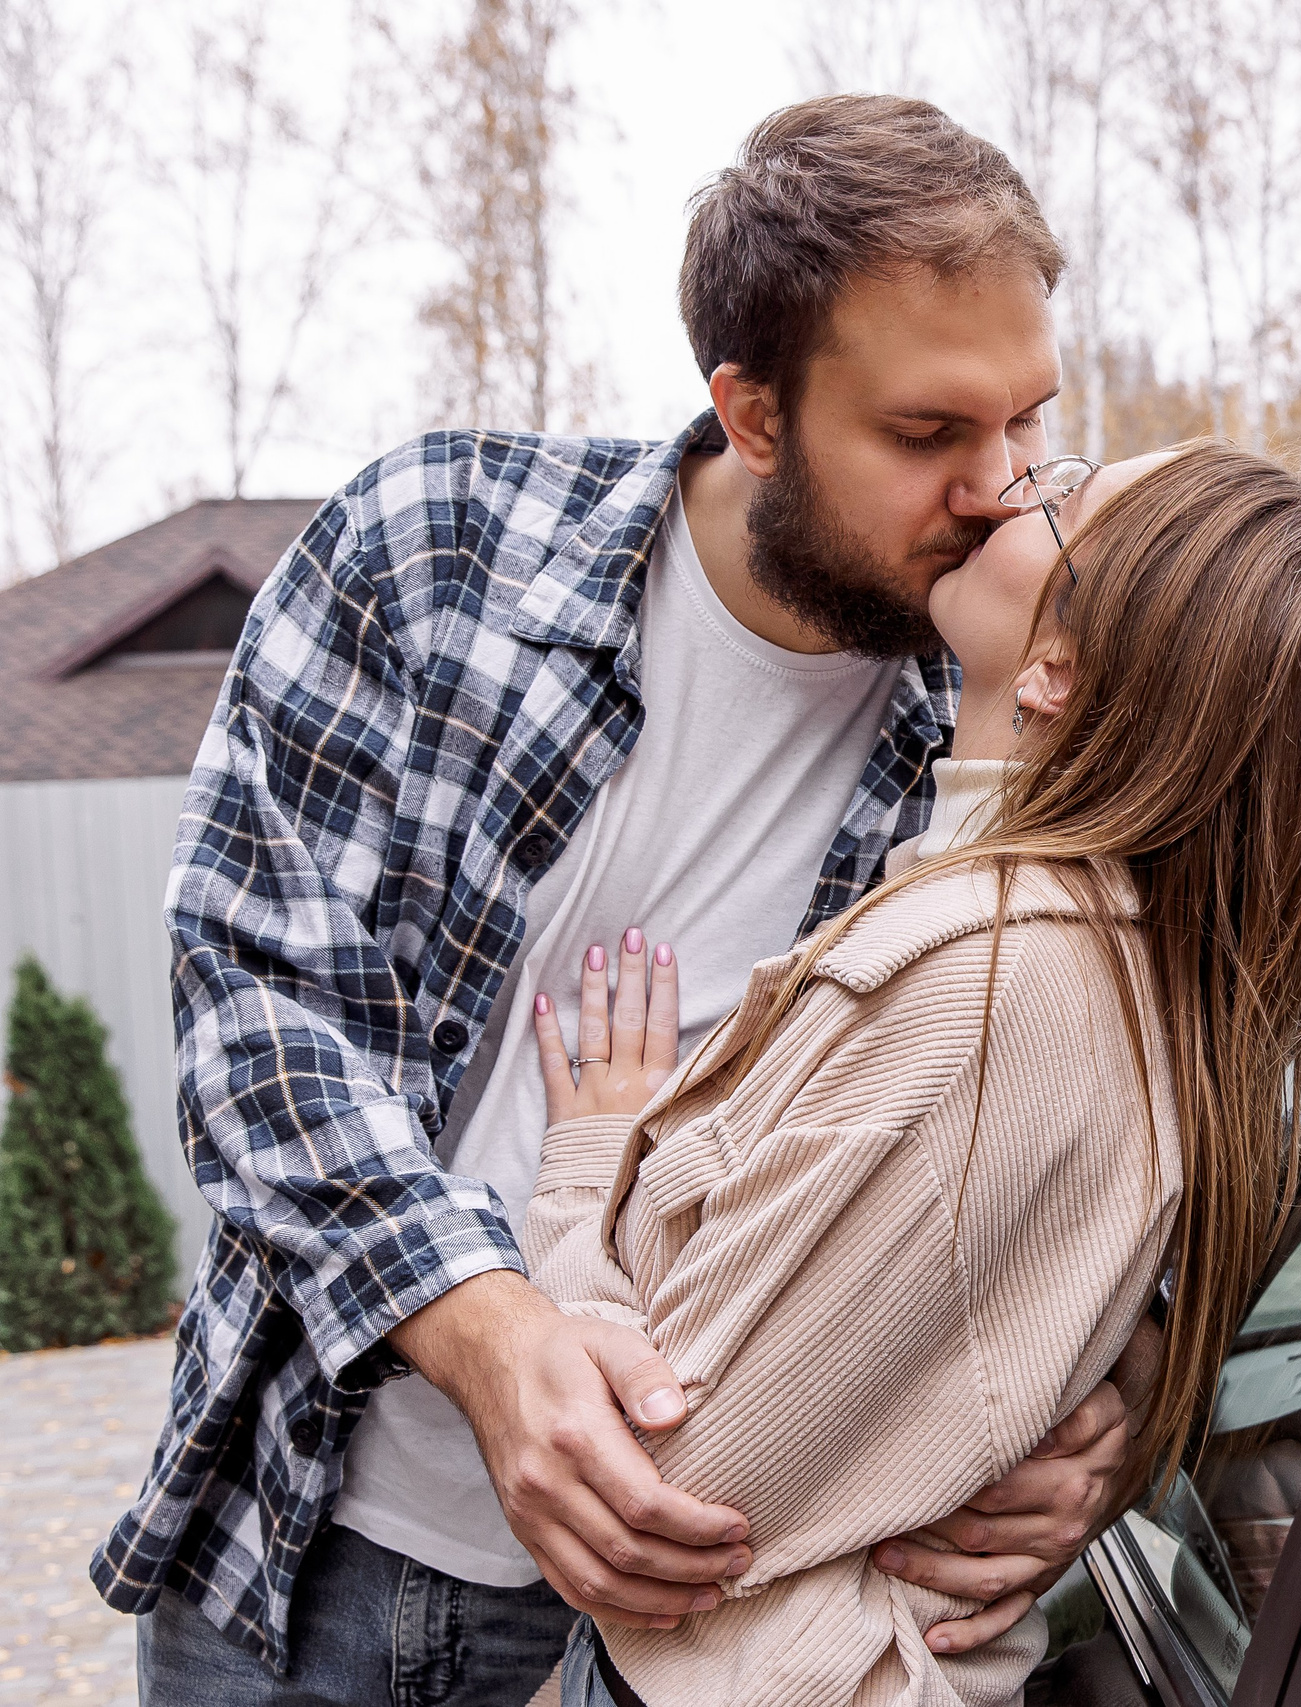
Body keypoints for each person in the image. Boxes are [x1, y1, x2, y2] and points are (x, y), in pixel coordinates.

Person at [96, 96, 1144, 1705]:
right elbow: (254, 1001)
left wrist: (1115, 1403)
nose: (1000, 488)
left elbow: (1126, 1110)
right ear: (754, 411)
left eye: (1027, 421)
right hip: (300, 1553)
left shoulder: (1012, 706)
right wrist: (489, 1333)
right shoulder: (432, 551)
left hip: (693, 1611)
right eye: (929, 433)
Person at [521, 440, 1301, 1705]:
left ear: (1056, 669)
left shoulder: (989, 991)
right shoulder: (1067, 953)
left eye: (1060, 495)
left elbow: (658, 1497)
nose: (1004, 486)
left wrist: (583, 1168)